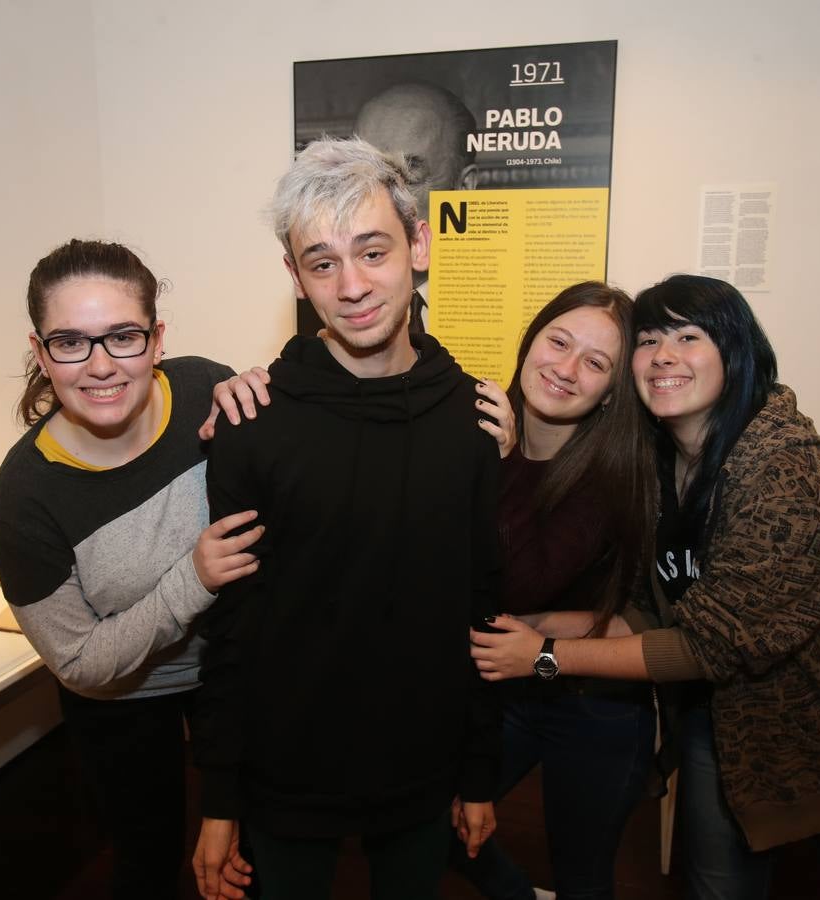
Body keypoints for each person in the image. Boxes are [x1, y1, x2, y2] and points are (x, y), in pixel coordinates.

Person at [471, 274, 820, 900]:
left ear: (735, 354)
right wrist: (545, 628)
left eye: (689, 337)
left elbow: (713, 643)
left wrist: (547, 655)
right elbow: (652, 610)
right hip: (724, 727)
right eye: (650, 340)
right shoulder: (659, 461)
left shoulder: (782, 469)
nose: (664, 355)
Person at [203, 280, 659, 900]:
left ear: (612, 390)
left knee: (580, 870)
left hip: (589, 703)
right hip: (493, 680)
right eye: (558, 341)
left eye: (596, 362)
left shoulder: (603, 470)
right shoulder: (476, 414)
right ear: (531, 341)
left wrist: (502, 463)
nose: (567, 368)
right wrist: (249, 385)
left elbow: (514, 582)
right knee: (451, 835)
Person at [189, 137, 502, 900]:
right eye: (322, 263)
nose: (353, 285)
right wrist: (220, 800)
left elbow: (481, 609)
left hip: (424, 764)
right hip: (288, 770)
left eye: (372, 252)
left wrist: (479, 772)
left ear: (418, 246)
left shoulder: (473, 421)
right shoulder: (253, 423)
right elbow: (233, 629)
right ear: (294, 276)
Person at [0, 239, 262, 900]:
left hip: (235, 667)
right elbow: (79, 662)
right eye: (70, 342)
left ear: (158, 340)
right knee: (147, 857)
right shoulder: (23, 498)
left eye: (123, 336)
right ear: (40, 352)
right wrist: (195, 577)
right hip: (124, 696)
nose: (101, 364)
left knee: (253, 850)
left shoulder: (205, 391)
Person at [349, 81, 478, 334]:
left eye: (407, 177)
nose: (377, 200)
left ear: (464, 187)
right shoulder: (328, 302)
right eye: (361, 176)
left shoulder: (496, 299)